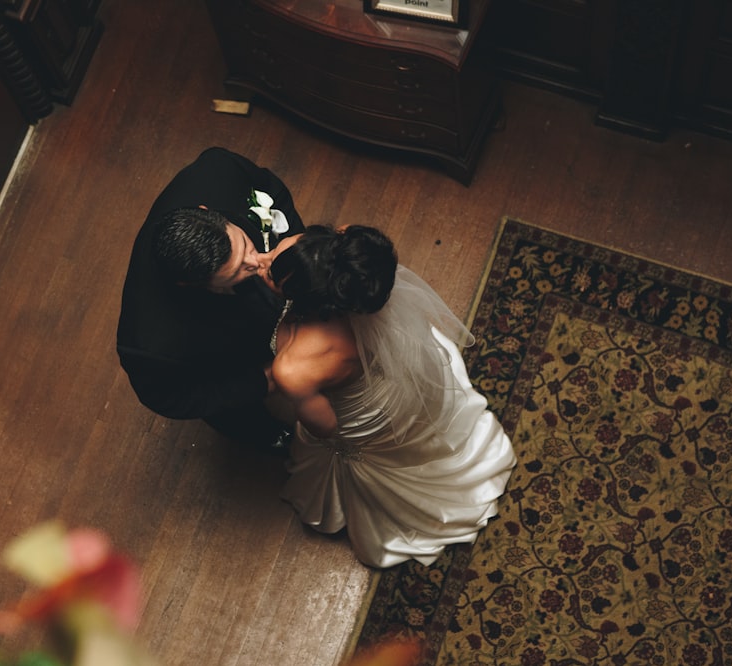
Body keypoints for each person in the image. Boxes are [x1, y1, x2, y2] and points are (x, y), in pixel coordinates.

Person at [260, 225, 517, 568]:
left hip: (358, 411)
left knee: (351, 452)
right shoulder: (353, 267)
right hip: (388, 374)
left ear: (306, 296)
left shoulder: (293, 368)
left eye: (273, 271)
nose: (263, 260)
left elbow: (325, 429)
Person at [116, 147, 304, 449]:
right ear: (190, 284)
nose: (257, 263)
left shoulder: (218, 171)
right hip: (221, 359)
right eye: (237, 272)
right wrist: (264, 380)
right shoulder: (149, 344)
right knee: (239, 416)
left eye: (244, 245)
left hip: (258, 314)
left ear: (207, 211)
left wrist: (292, 256)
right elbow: (174, 398)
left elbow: (272, 191)